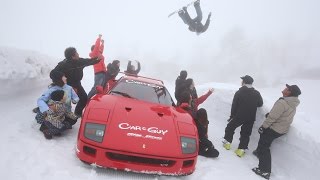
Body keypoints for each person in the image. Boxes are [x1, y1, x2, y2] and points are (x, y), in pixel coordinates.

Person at [252, 84, 301, 179]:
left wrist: (263, 127)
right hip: (282, 129)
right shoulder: (292, 103)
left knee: (264, 146)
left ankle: (264, 171)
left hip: (274, 128)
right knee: (264, 140)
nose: (284, 88)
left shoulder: (283, 102)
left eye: (287, 88)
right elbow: (284, 114)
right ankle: (258, 152)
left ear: (289, 92)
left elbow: (273, 117)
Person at [222, 75, 263, 157]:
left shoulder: (239, 92)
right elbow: (260, 104)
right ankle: (241, 149)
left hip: (239, 116)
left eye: (242, 81)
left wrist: (232, 116)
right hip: (251, 117)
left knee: (230, 127)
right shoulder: (256, 93)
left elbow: (234, 105)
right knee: (246, 133)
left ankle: (227, 143)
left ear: (244, 82)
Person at [53, 47, 101, 117]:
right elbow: (53, 73)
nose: (78, 54)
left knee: (84, 98)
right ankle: (45, 109)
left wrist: (97, 59)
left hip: (77, 84)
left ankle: (77, 113)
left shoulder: (79, 61)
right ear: (73, 56)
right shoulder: (63, 64)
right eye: (76, 53)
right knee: (62, 101)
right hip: (66, 85)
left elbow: (88, 61)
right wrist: (62, 76)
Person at [179, 90, 219, 158]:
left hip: (179, 138)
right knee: (214, 152)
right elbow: (200, 134)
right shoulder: (192, 114)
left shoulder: (177, 109)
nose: (192, 98)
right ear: (189, 99)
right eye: (191, 97)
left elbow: (200, 99)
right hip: (188, 141)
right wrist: (209, 144)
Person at [87, 34, 107, 99]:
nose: (98, 49)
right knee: (96, 87)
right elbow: (97, 47)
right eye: (97, 48)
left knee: (100, 88)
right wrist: (99, 38)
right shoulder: (94, 54)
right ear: (94, 49)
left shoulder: (99, 54)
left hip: (103, 72)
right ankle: (87, 98)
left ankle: (96, 98)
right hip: (99, 73)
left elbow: (101, 49)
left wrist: (103, 43)